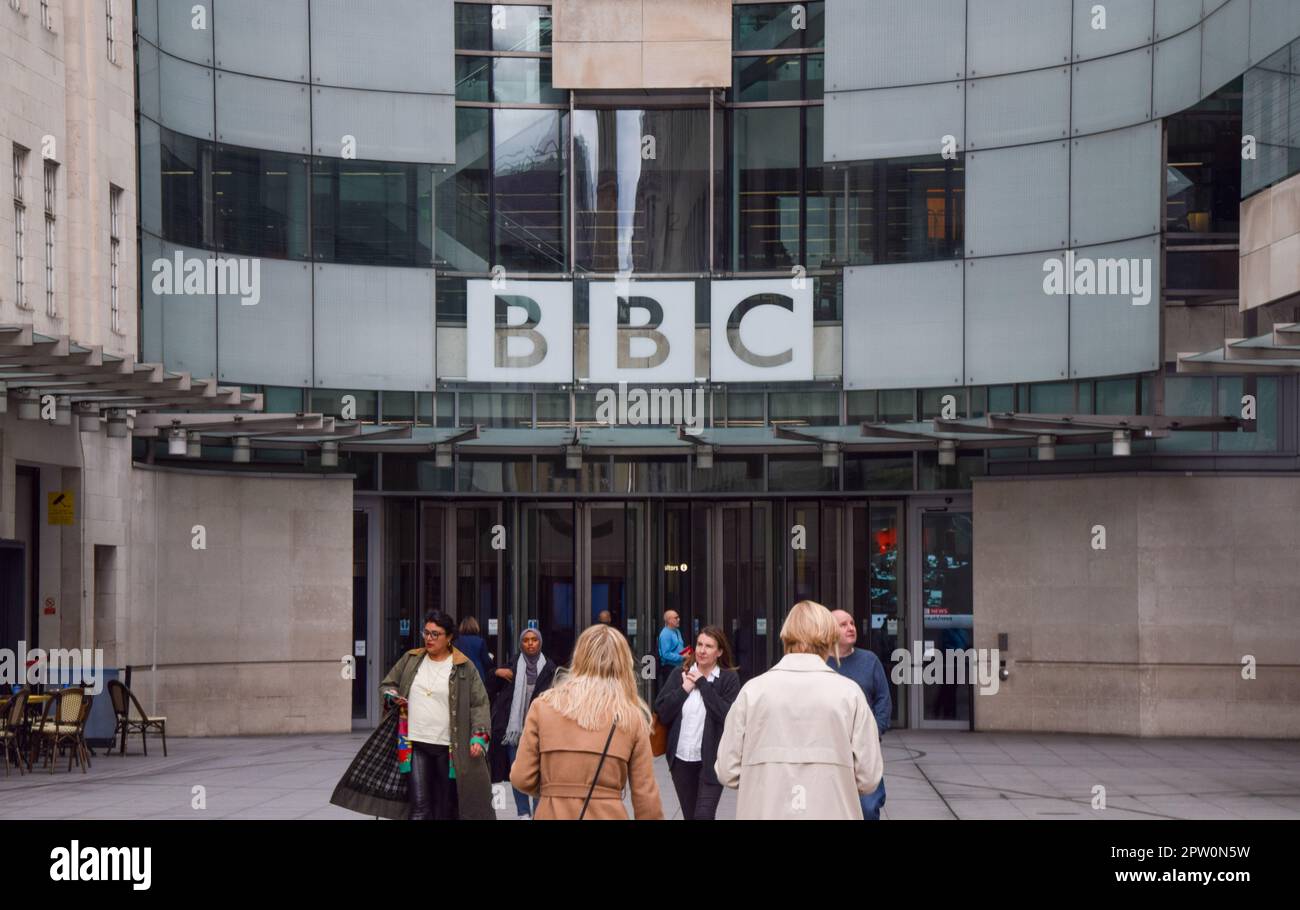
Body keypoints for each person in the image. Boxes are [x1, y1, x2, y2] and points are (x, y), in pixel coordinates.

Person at [714, 600, 881, 820]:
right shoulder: (850, 694)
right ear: (829, 638)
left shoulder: (752, 692)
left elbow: (727, 771)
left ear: (786, 636)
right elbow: (868, 777)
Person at [510, 624, 663, 819]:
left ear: (579, 658)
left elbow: (521, 778)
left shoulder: (543, 707)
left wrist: (555, 788)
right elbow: (646, 796)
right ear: (623, 663)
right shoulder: (630, 716)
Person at [378, 611, 495, 820]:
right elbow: (388, 684)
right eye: (427, 633)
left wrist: (479, 735)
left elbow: (479, 703)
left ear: (449, 637)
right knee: (419, 807)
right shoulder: (411, 659)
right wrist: (392, 696)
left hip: (449, 748)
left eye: (435, 634)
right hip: (415, 743)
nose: (429, 638)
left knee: (445, 808)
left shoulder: (463, 666)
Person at [653, 625, 740, 820]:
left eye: (709, 646)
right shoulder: (679, 674)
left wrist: (701, 683)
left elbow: (727, 716)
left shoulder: (728, 679)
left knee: (703, 815)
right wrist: (684, 689)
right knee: (690, 815)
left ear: (719, 652)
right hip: (681, 760)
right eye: (700, 644)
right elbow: (663, 712)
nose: (702, 650)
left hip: (711, 762)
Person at [829, 609, 892, 820]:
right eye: (843, 624)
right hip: (831, 749)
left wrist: (875, 730)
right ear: (829, 630)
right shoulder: (819, 663)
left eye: (852, 623)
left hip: (865, 748)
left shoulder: (869, 660)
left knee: (867, 806)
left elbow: (884, 699)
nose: (851, 628)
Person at [490, 628, 556, 819]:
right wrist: (496, 672)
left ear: (540, 642)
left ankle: (537, 811)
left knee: (538, 773)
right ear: (521, 644)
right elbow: (489, 685)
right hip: (515, 731)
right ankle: (523, 813)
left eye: (534, 639)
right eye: (526, 640)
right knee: (516, 772)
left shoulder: (550, 668)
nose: (530, 643)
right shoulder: (511, 665)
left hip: (539, 730)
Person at [456, 615, 493, 684]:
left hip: (461, 675)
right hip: (477, 675)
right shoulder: (480, 641)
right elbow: (486, 662)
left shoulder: (457, 641)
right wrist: (490, 658)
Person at [657, 610, 686, 688]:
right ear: (669, 620)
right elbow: (665, 654)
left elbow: (679, 647)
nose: (678, 619)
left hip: (679, 666)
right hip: (670, 668)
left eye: (678, 617)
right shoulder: (665, 634)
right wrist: (681, 657)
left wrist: (685, 652)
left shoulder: (677, 631)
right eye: (676, 618)